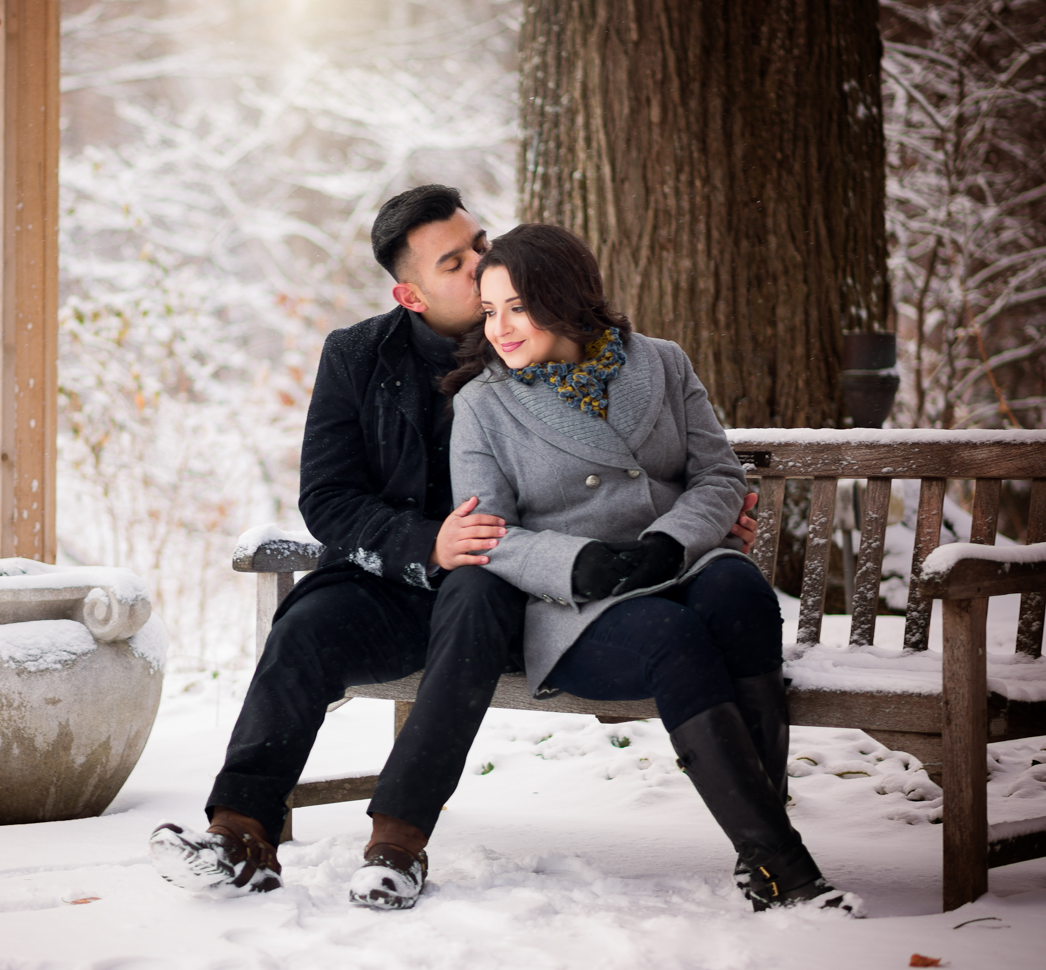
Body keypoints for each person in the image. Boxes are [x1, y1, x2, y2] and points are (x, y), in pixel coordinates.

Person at [147, 186, 759, 911]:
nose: (481, 264)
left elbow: (627, 461)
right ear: (410, 293)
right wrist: (424, 543)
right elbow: (328, 498)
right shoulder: (356, 357)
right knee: (307, 625)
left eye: (480, 243)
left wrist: (686, 524)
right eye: (455, 261)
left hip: (516, 585)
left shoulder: (536, 343)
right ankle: (238, 835)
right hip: (400, 578)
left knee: (473, 593)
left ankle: (396, 844)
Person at [441, 222, 860, 915]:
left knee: (740, 588)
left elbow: (719, 476)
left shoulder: (660, 362)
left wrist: (671, 540)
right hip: (577, 606)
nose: (501, 328)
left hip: (681, 564)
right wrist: (579, 564)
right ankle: (785, 865)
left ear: (566, 297)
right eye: (489, 310)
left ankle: (759, 849)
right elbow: (489, 534)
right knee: (673, 636)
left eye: (517, 306)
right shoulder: (484, 404)